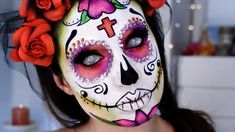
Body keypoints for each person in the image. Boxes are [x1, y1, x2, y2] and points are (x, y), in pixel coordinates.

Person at [4, 0, 215, 131]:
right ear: (62, 82)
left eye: (135, 41)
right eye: (91, 59)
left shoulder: (196, 127)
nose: (127, 74)